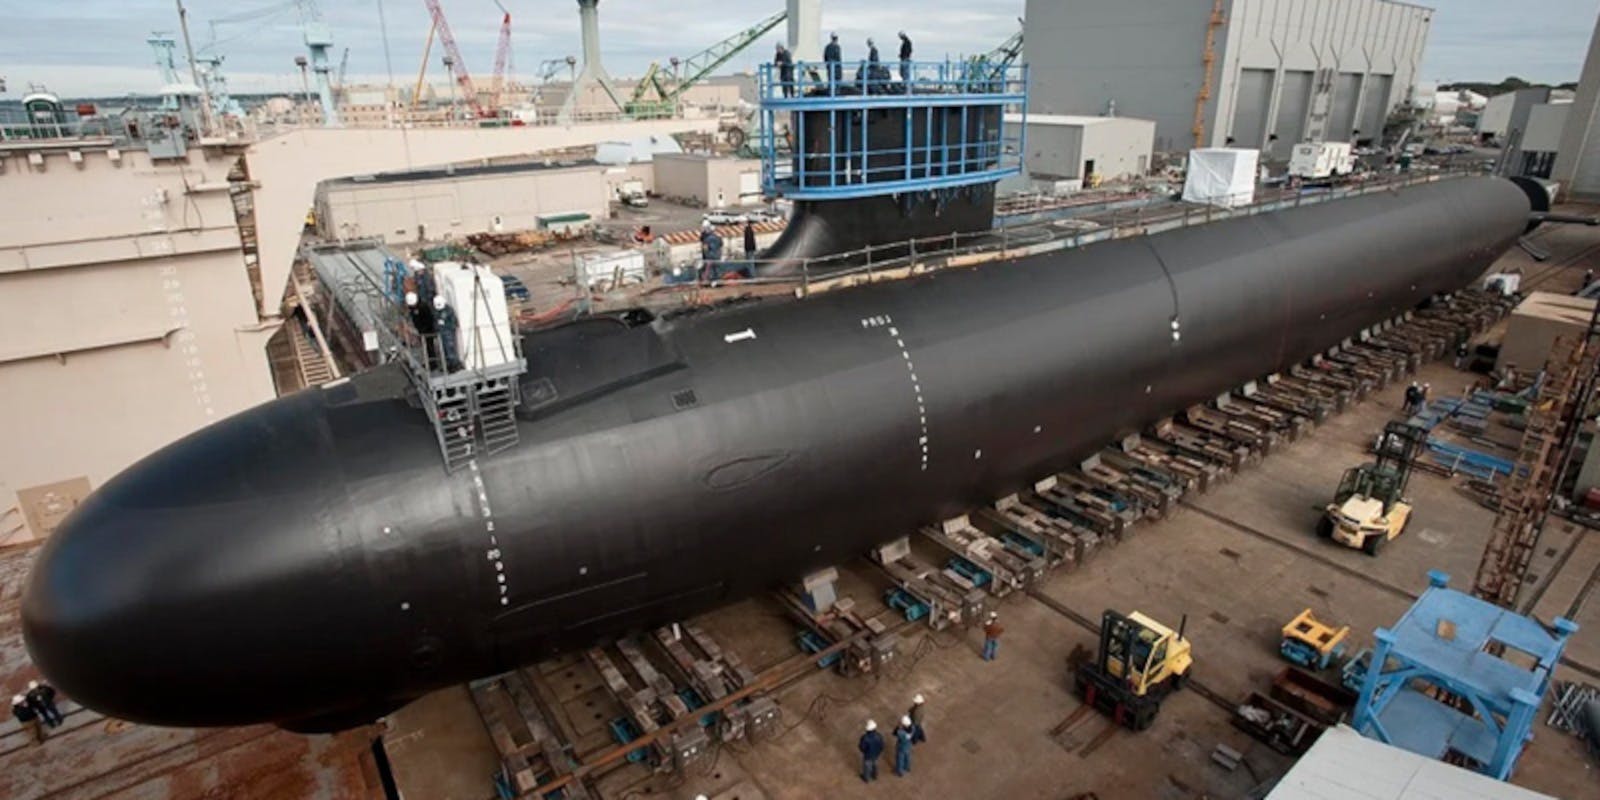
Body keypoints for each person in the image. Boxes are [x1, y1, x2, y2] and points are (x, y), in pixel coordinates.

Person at [433, 296, 461, 373]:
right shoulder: (436, 311)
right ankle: (448, 365)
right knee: (444, 350)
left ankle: (454, 365)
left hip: (448, 333)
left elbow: (454, 323)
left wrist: (445, 324)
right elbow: (435, 321)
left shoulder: (449, 311)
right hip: (441, 333)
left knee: (450, 350)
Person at [858, 719, 884, 783]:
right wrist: (878, 752)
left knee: (867, 767)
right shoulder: (879, 735)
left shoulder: (865, 737)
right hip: (876, 754)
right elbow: (882, 746)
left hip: (868, 755)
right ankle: (875, 775)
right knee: (875, 764)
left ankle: (866, 778)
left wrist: (864, 751)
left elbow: (862, 747)